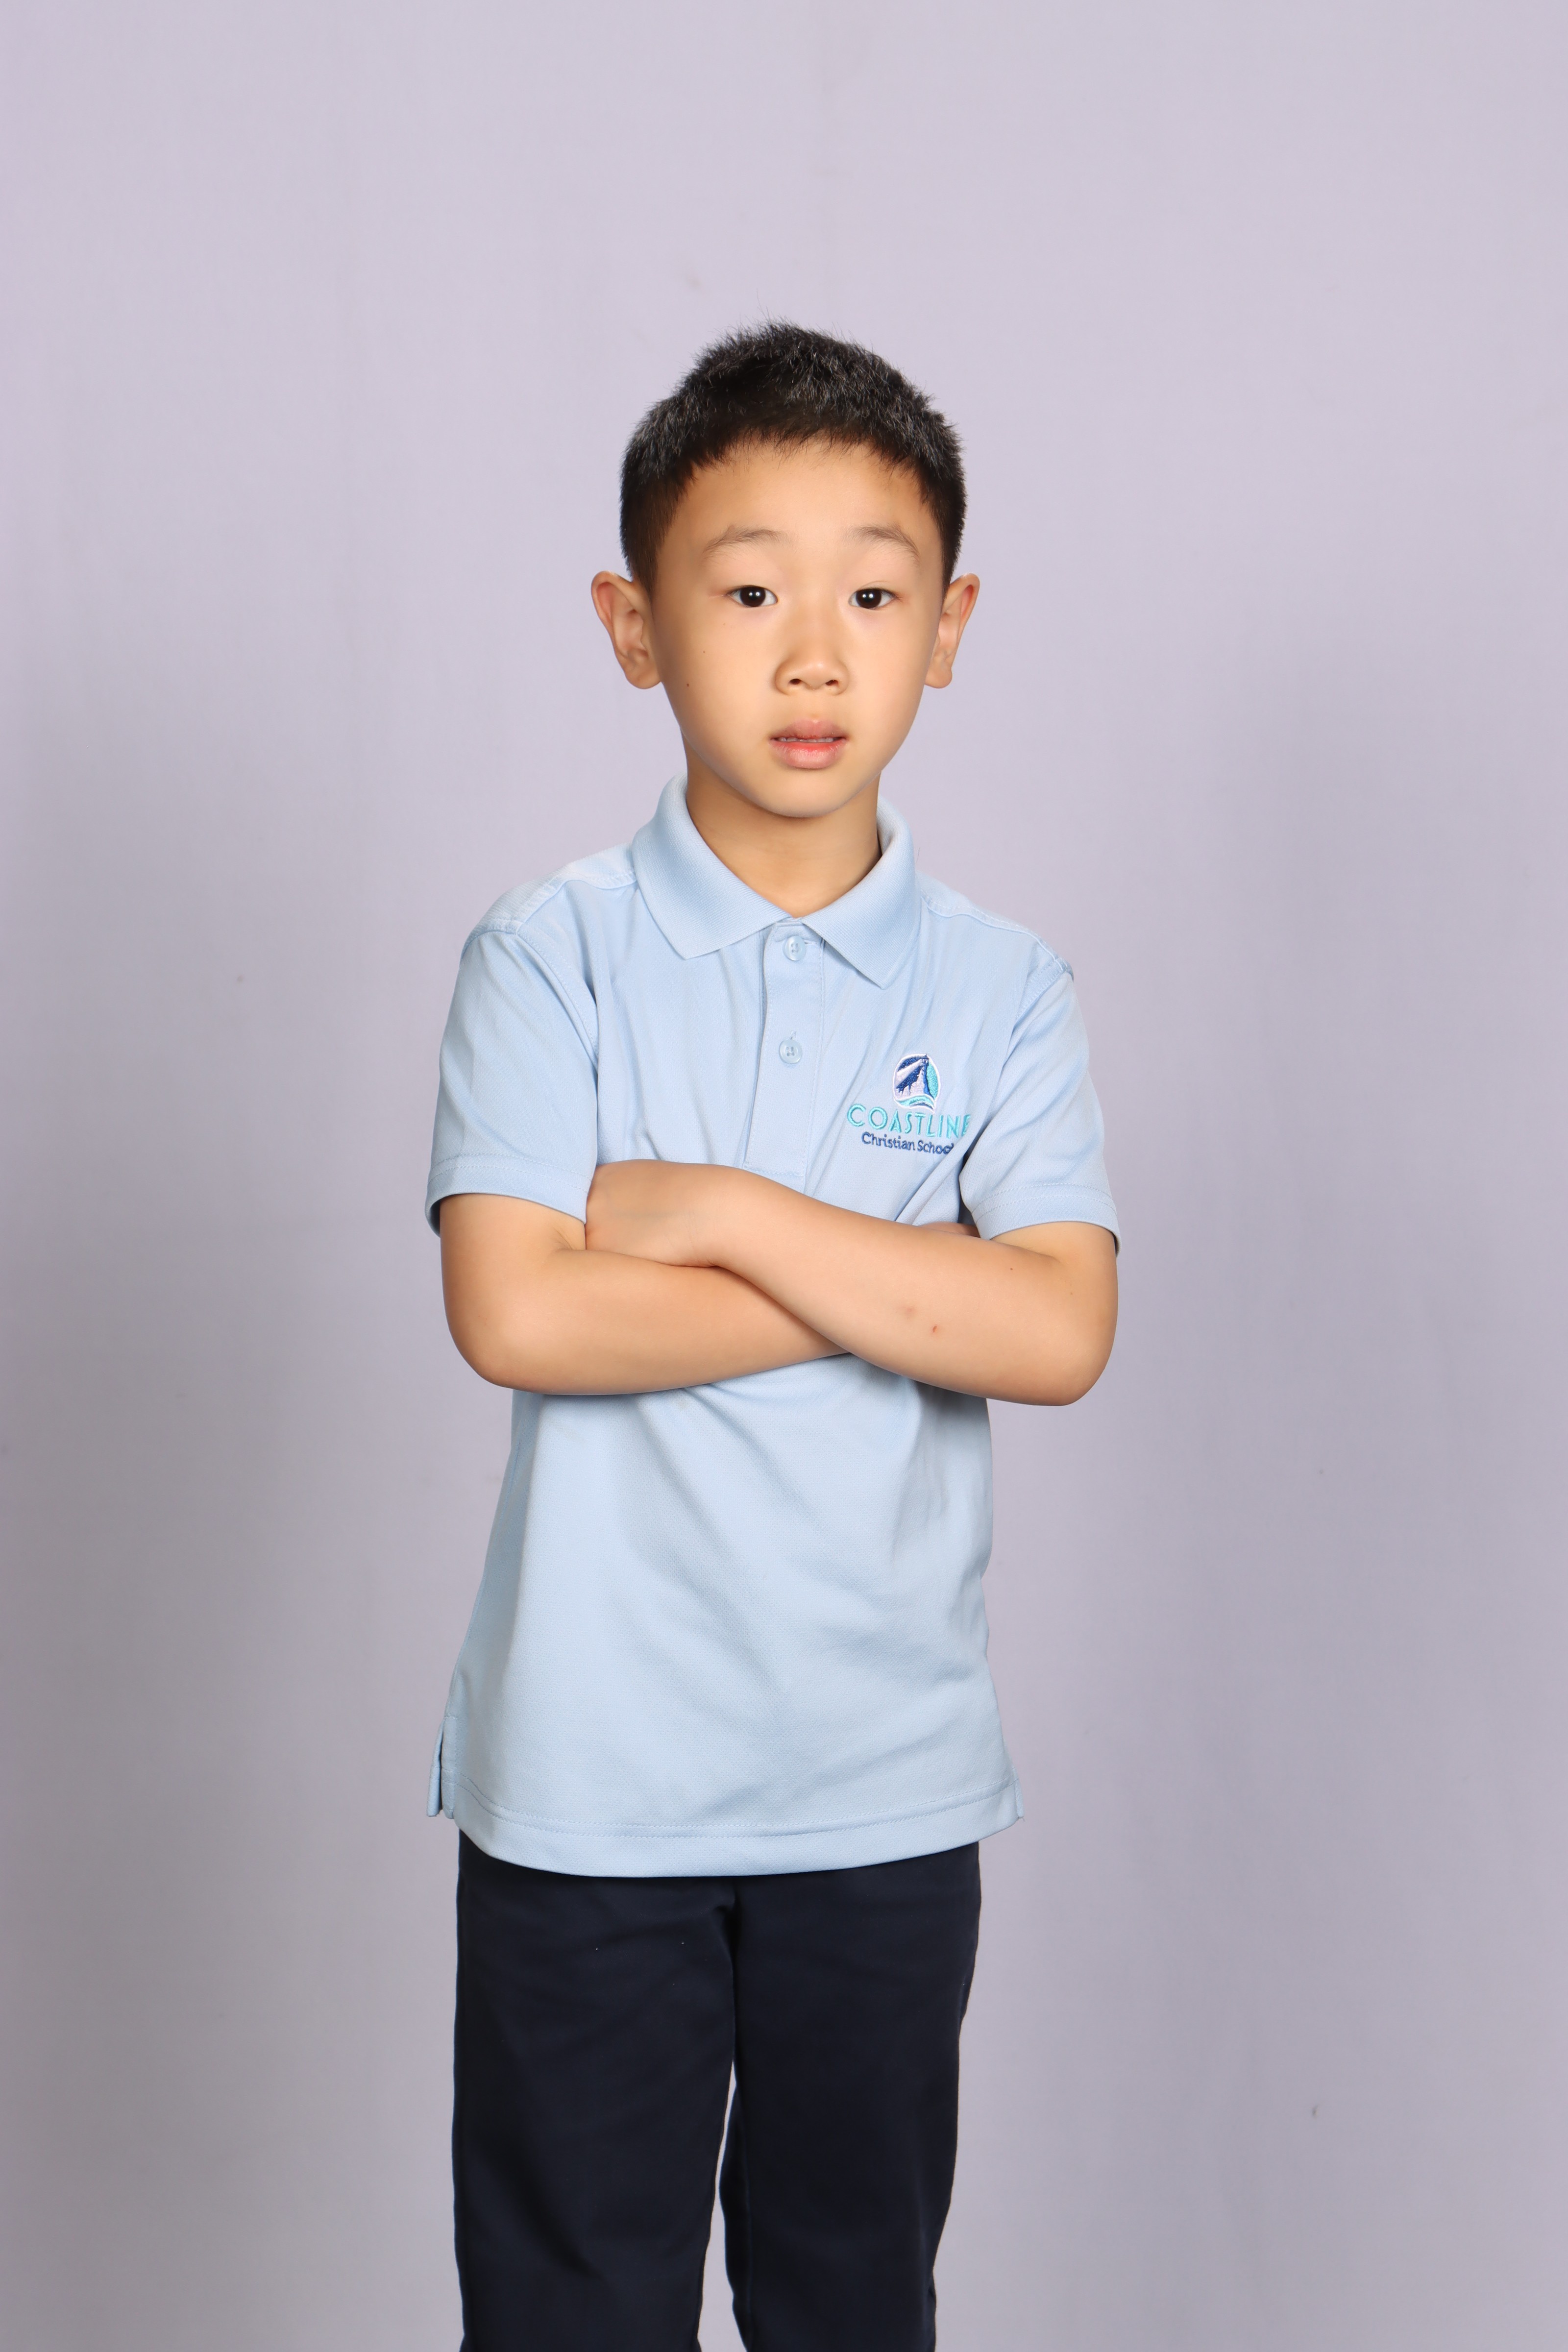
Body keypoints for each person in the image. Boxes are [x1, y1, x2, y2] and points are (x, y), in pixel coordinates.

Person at [425, 322, 1120, 2352]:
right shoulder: (550, 954)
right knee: (568, 2307)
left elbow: (1057, 1329)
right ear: (633, 625)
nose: (814, 657)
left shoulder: (1002, 989)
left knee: (850, 2297)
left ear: (949, 628)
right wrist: (907, 1289)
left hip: (881, 1789)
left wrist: (726, 1215)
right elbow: (519, 1308)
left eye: (873, 598)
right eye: (745, 595)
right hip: (586, 1789)